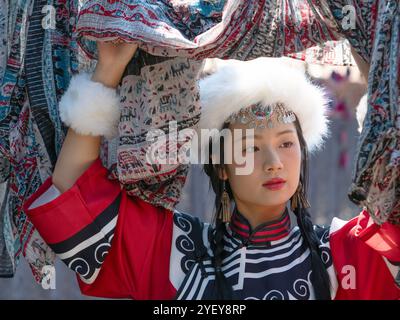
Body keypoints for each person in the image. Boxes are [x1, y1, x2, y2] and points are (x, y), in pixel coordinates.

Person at [23, 42, 400, 300]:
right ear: (221, 167)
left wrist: (378, 63)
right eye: (250, 147)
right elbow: (75, 199)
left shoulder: (346, 253)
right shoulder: (174, 251)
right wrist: (108, 70)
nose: (273, 161)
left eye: (286, 143)